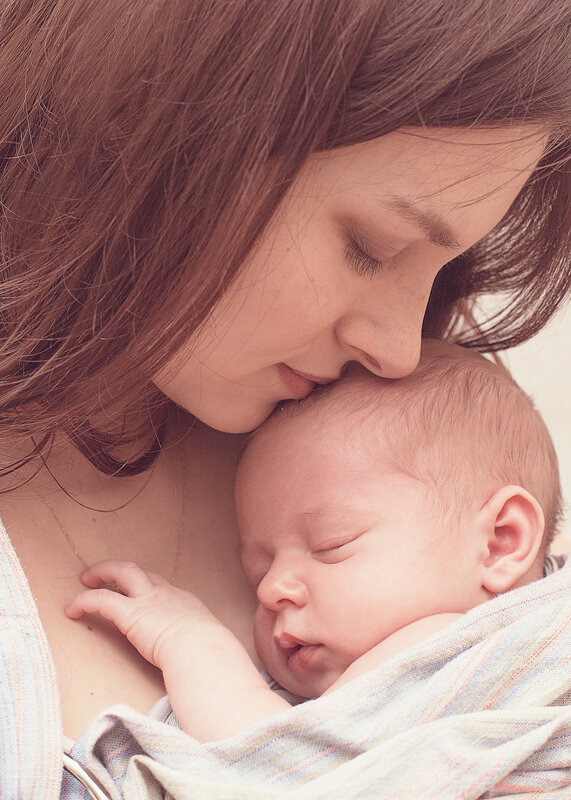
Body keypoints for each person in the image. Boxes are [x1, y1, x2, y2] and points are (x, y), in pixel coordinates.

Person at [0, 1, 569, 797]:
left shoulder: (382, 441)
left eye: (440, 270)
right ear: (172, 120)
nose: (402, 348)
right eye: (369, 249)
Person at [65, 340, 564, 744]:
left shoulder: (454, 645)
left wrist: (191, 643)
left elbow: (274, 759)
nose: (270, 591)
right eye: (257, 573)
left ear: (501, 541)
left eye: (330, 544)